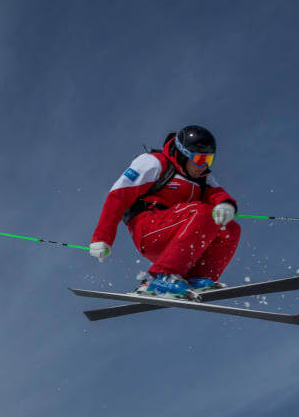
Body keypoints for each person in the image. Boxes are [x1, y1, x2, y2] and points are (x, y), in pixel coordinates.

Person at [88, 125, 239, 298]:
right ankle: (162, 278)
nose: (204, 166)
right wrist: (102, 238)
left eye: (209, 160)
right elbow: (118, 196)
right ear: (183, 153)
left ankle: (198, 278)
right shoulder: (154, 162)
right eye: (199, 159)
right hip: (149, 229)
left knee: (230, 229)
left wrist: (226, 205)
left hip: (182, 235)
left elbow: (219, 194)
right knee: (203, 212)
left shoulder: (203, 179)